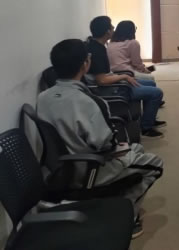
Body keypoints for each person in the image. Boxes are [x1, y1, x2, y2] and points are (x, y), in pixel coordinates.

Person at [37, 39, 163, 238]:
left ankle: (110, 198)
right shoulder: (88, 102)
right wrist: (118, 146)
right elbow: (104, 144)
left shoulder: (43, 97)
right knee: (155, 164)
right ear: (85, 64)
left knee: (137, 149)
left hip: (62, 167)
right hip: (89, 169)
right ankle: (127, 217)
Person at [86, 16, 165, 138]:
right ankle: (146, 127)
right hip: (112, 89)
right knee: (157, 93)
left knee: (151, 84)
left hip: (115, 81)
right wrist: (124, 77)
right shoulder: (97, 51)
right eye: (111, 26)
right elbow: (102, 80)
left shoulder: (99, 45)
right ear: (107, 31)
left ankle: (149, 118)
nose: (114, 28)